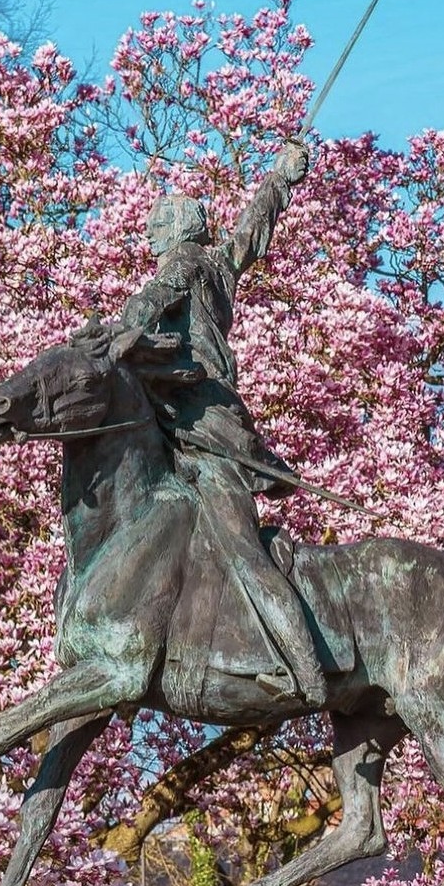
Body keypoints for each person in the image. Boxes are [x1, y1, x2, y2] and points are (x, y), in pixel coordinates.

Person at [113, 140, 328, 709]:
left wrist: (113, 338)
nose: (150, 234)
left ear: (180, 228)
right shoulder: (216, 264)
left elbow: (150, 303)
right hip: (180, 430)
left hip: (208, 429)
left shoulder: (183, 264)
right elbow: (250, 234)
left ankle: (302, 668)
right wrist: (280, 179)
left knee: (240, 547)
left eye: (157, 224)